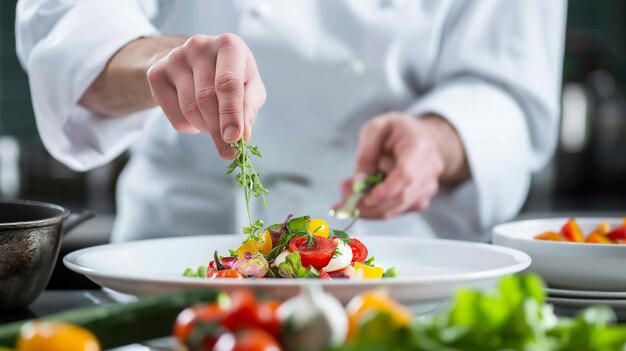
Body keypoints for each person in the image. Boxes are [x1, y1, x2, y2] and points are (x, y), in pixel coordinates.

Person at [15, 0, 566, 243]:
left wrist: (438, 138)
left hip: (395, 268)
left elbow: (508, 90)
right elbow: (69, 28)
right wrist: (167, 62)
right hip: (173, 262)